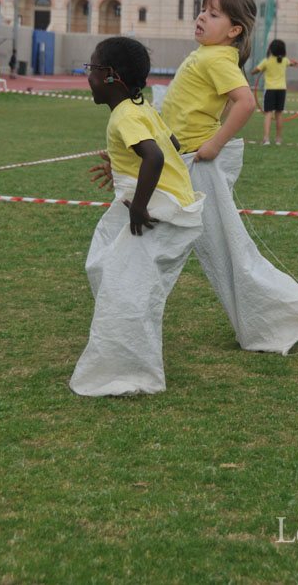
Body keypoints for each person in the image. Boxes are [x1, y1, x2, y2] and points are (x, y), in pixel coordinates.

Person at [159, 0, 298, 355]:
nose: (201, 17)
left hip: (195, 166)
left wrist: (213, 143)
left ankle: (275, 315)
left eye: (213, 14)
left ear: (234, 30)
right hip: (178, 163)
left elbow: (244, 104)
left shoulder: (217, 59)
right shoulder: (207, 56)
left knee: (229, 253)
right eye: (202, 10)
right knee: (199, 247)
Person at [70, 37, 204, 397]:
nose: (88, 77)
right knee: (110, 270)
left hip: (160, 211)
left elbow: (156, 158)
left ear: (110, 75)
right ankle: (126, 356)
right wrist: (123, 166)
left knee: (122, 287)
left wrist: (141, 206)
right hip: (176, 207)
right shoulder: (141, 108)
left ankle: (128, 370)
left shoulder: (126, 115)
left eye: (92, 69)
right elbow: (171, 146)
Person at [251, 38, 297, 145]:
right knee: (279, 115)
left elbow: (255, 71)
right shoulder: (285, 60)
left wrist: (254, 70)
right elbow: (292, 63)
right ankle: (278, 139)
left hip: (270, 89)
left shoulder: (266, 61)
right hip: (281, 90)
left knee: (268, 114)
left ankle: (266, 138)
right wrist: (294, 63)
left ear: (271, 49)